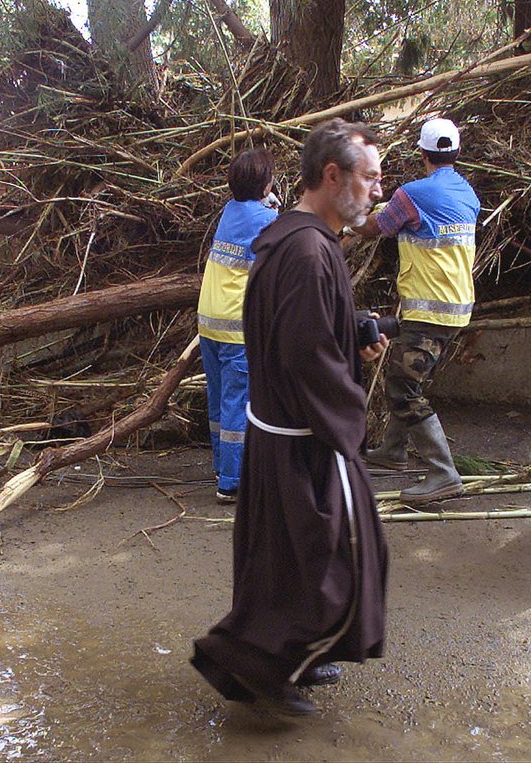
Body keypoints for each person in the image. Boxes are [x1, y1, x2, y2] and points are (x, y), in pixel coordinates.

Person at [191, 119, 390, 718]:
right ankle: (256, 667)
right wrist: (350, 421)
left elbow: (298, 329)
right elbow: (305, 356)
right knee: (341, 558)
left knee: (293, 564)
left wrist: (351, 331)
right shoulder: (306, 251)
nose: (379, 190)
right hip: (302, 438)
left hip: (286, 433)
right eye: (370, 176)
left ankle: (292, 657)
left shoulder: (298, 238)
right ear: (333, 177)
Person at [351, 117, 480, 506]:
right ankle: (393, 451)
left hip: (429, 310)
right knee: (404, 373)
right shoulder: (467, 193)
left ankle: (444, 473)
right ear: (455, 152)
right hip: (455, 307)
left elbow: (378, 226)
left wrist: (344, 219)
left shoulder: (414, 193)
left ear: (420, 153)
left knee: (403, 386)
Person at [196, 148, 279, 502]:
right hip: (236, 327)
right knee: (237, 402)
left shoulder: (229, 211)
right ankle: (231, 482)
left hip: (209, 320)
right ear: (264, 185)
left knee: (218, 400)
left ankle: (221, 464)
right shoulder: (265, 221)